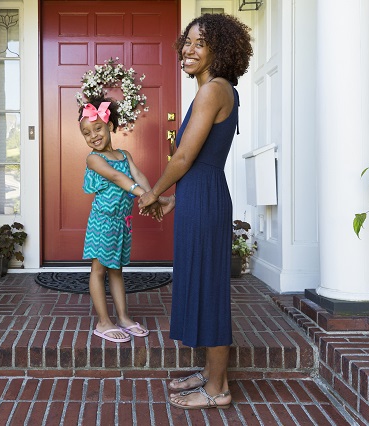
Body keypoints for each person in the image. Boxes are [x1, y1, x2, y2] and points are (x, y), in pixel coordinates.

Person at [138, 13, 253, 410]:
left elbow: (186, 156)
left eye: (198, 43)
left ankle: (218, 388)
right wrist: (176, 200)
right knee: (203, 285)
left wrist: (154, 192)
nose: (187, 49)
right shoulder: (217, 90)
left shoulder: (213, 91)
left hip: (204, 195)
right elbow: (200, 160)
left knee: (211, 291)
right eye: (186, 42)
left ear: (218, 50)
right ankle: (211, 373)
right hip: (201, 195)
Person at [80, 97, 161, 343]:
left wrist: (153, 198)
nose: (93, 135)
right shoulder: (94, 159)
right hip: (102, 222)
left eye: (97, 129)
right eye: (86, 133)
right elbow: (116, 177)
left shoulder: (124, 154)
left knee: (116, 269)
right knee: (99, 269)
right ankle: (103, 322)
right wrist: (144, 195)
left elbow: (138, 175)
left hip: (121, 223)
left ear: (110, 126)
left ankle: (123, 317)